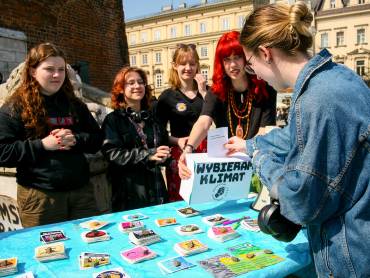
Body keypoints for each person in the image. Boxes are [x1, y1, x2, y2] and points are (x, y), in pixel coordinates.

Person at [224, 2, 370, 277]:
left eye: (252, 66)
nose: (257, 76)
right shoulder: (337, 78)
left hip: (351, 255)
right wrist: (250, 144)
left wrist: (260, 160)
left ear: (266, 53)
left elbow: (301, 200)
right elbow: (296, 136)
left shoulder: (317, 98)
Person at [0, 43, 102, 227]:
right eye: (49, 69)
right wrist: (43, 145)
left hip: (81, 193)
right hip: (39, 197)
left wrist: (76, 139)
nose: (57, 75)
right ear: (32, 71)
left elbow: (97, 139)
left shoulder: (75, 104)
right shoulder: (14, 107)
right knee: (47, 252)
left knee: (91, 245)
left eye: (61, 70)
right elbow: (2, 152)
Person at [178, 31, 276, 179]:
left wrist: (246, 148)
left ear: (246, 58)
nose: (232, 65)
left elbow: (265, 130)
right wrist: (188, 149)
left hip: (257, 160)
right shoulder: (217, 91)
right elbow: (204, 122)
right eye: (226, 59)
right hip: (228, 166)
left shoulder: (265, 88)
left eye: (237, 57)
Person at [102, 66, 171, 211]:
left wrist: (168, 157)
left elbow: (163, 145)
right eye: (131, 83)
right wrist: (149, 155)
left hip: (157, 189)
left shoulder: (152, 118)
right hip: (129, 192)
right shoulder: (113, 120)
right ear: (121, 88)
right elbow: (113, 154)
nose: (137, 86)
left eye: (141, 82)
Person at [156, 43, 208, 201]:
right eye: (183, 64)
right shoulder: (167, 97)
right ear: (174, 66)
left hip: (206, 153)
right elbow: (159, 132)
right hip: (180, 156)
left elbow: (218, 119)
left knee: (206, 198)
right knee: (181, 200)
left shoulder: (207, 91)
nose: (188, 68)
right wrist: (177, 140)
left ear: (198, 65)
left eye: (192, 64)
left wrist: (204, 92)